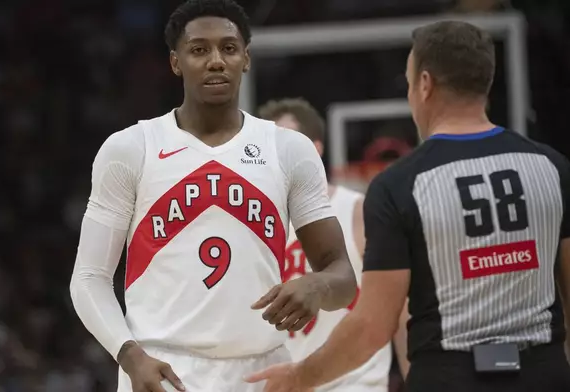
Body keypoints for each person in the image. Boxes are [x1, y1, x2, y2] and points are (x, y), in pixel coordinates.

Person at [246, 20, 570, 392]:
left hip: (450, 375)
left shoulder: (400, 185)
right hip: (544, 373)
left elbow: (373, 324)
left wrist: (299, 377)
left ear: (425, 85)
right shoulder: (552, 168)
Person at [68, 1, 358, 392]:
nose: (216, 60)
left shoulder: (289, 150)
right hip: (163, 370)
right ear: (175, 62)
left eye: (228, 48)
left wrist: (315, 286)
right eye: (199, 49)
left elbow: (342, 274)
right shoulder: (131, 149)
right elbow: (88, 278)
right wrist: (130, 355)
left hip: (264, 370)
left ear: (246, 59)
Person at [258, 98, 410, 391]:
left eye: (285, 144)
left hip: (354, 384)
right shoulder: (252, 222)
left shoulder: (359, 212)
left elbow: (401, 314)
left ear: (315, 149)